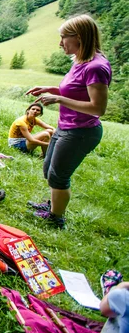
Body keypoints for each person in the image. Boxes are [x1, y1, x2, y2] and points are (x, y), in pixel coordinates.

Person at [26, 14, 112, 228]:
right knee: (48, 169)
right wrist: (50, 89)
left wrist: (59, 98)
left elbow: (97, 108)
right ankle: (53, 205)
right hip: (66, 126)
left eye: (64, 37)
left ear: (79, 38)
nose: (60, 43)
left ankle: (57, 218)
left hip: (81, 132)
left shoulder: (96, 68)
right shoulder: (80, 61)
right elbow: (75, 90)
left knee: (58, 176)